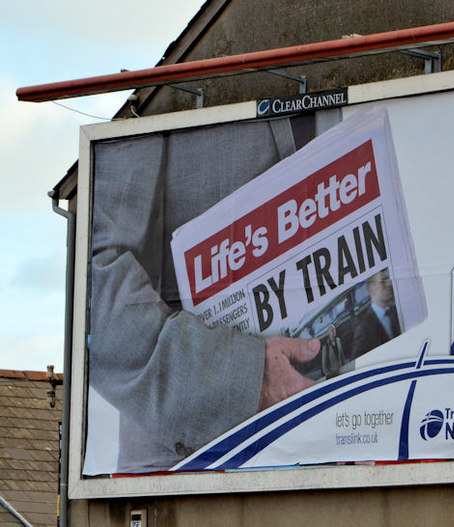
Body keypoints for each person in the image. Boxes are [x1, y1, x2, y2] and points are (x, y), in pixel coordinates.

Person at [89, 112, 339, 473]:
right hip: (201, 470)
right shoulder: (159, 98)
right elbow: (97, 296)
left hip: (346, 449)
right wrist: (247, 379)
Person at [351, 269, 400, 359]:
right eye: (383, 281)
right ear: (371, 290)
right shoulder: (364, 328)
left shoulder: (396, 312)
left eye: (388, 279)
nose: (389, 284)